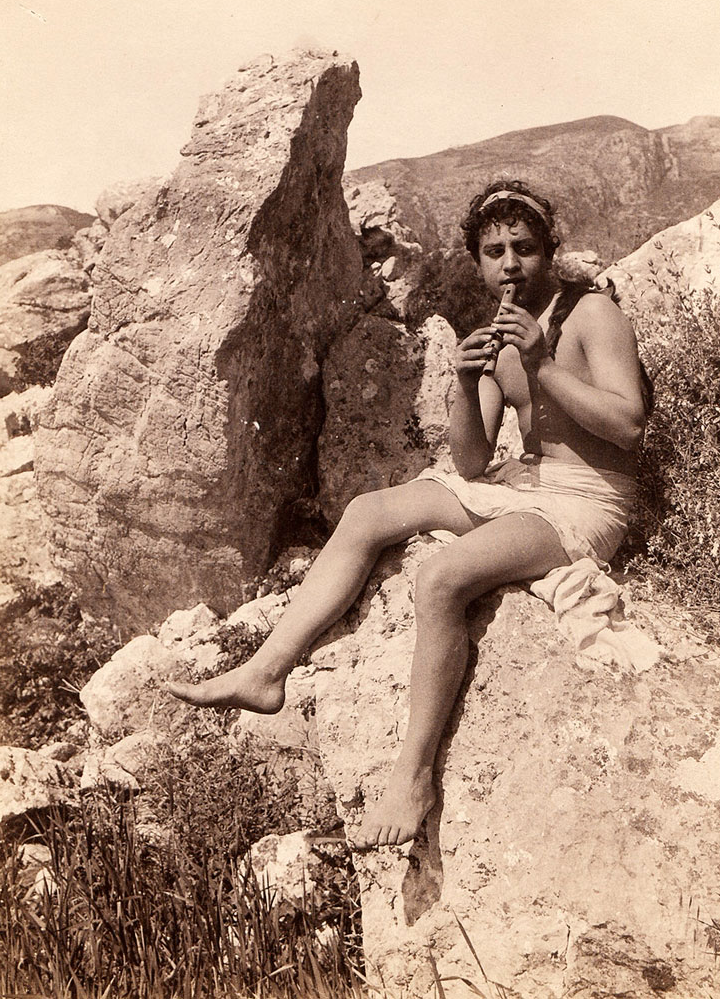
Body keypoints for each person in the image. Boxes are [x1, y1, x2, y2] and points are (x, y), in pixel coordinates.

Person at [167, 179, 649, 849]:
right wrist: (464, 379)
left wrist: (539, 365)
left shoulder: (591, 314)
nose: (509, 264)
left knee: (442, 578)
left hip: (588, 502)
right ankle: (266, 671)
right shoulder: (501, 332)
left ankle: (413, 777)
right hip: (521, 488)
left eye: (524, 248)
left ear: (549, 251)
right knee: (368, 511)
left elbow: (627, 427)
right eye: (493, 251)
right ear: (477, 261)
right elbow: (474, 463)